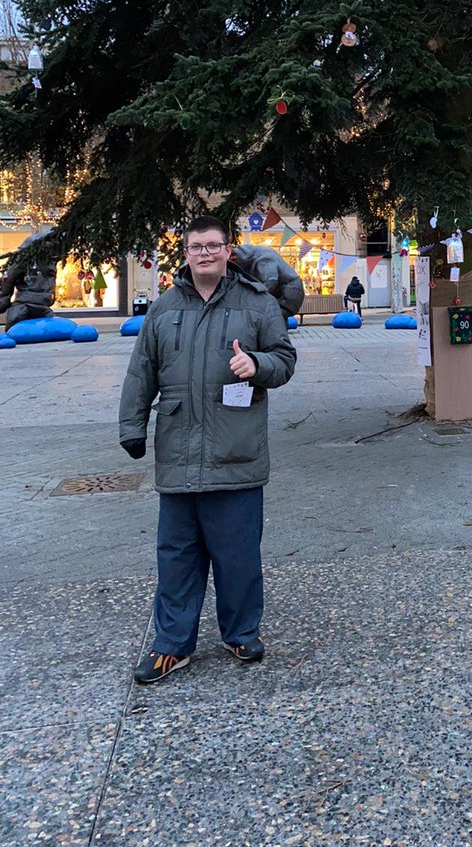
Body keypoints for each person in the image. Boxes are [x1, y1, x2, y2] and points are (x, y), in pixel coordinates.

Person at [119, 215, 296, 683]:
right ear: (186, 252)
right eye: (197, 246)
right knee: (176, 556)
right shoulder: (163, 308)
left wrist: (255, 363)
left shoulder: (257, 305)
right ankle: (172, 645)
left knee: (237, 555)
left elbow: (285, 360)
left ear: (228, 250)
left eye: (213, 246)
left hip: (235, 451)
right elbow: (142, 372)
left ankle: (240, 632)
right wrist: (131, 426)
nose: (205, 253)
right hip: (177, 452)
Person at [231, 243, 305, 323]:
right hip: (288, 290)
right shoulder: (259, 252)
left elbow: (271, 281)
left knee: (270, 318)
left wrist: (255, 298)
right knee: (273, 319)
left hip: (290, 291)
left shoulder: (263, 259)